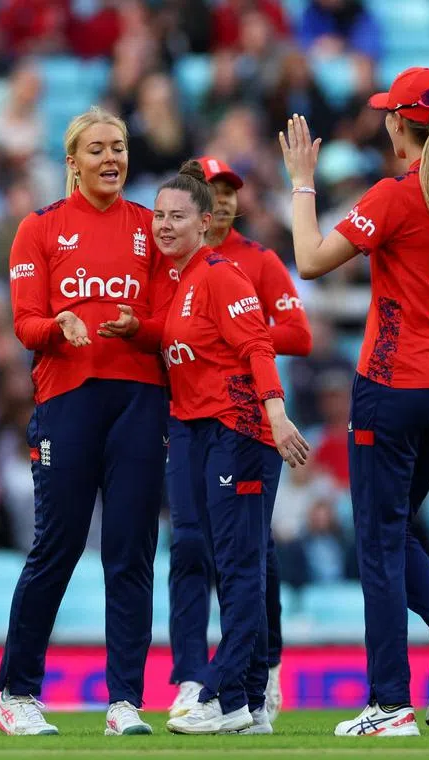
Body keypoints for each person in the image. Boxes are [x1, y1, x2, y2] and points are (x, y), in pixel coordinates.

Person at [278, 66, 429, 737]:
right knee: (392, 526)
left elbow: (311, 259)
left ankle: (389, 701)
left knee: (376, 539)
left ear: (401, 124)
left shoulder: (396, 195)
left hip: (394, 384)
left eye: (388, 116)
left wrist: (302, 184)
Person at [0, 106, 176, 737]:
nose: (110, 159)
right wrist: (58, 327)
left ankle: (125, 700)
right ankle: (16, 693)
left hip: (140, 400)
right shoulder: (38, 230)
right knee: (58, 547)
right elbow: (23, 323)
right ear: (72, 161)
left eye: (118, 147)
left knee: (131, 553)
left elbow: (172, 324)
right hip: (67, 399)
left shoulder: (153, 229)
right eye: (96, 149)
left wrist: (139, 328)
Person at [155, 161, 310, 735]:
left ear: (204, 223)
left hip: (238, 431)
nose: (165, 225)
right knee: (227, 560)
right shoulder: (180, 279)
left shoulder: (222, 275)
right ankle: (245, 703)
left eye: (178, 217)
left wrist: (275, 413)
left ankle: (224, 696)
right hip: (198, 430)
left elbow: (258, 346)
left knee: (241, 566)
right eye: (159, 216)